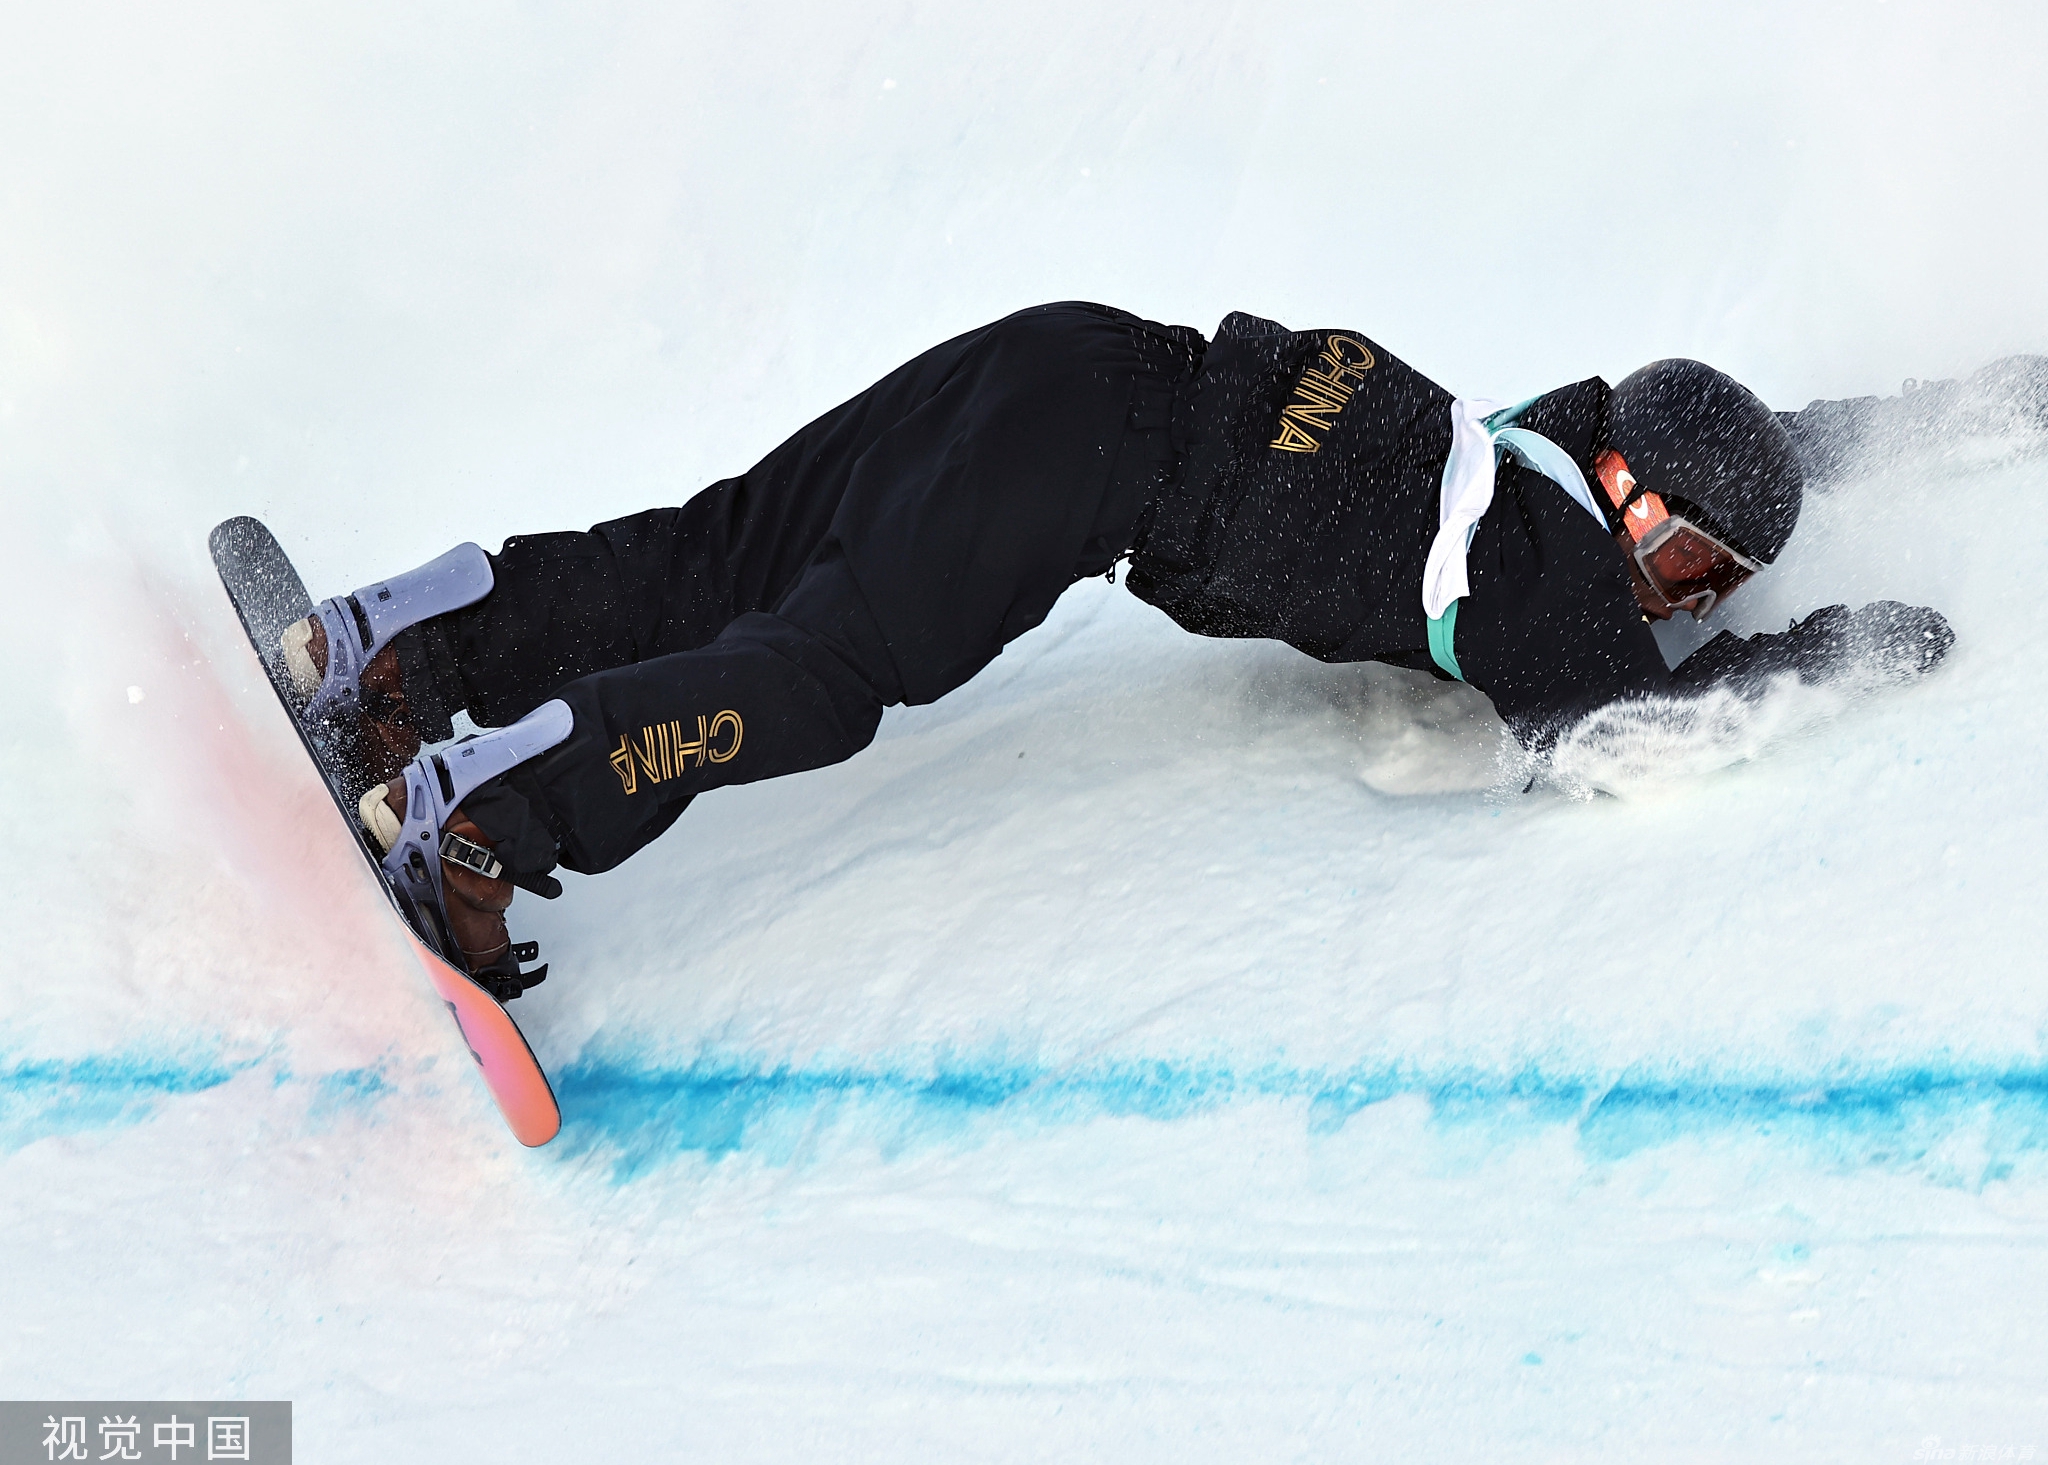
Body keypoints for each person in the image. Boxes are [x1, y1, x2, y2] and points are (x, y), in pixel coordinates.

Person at [278, 303, 2024, 995]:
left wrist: (1986, 406)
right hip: (1080, 473)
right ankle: (493, 815)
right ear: (1640, 499)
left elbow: (1788, 432)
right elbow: (1617, 743)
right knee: (819, 671)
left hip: (1077, 352)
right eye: (1704, 564)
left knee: (739, 537)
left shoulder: (1562, 432)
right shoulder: (1554, 572)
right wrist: (1837, 649)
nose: (1699, 598)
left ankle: (410, 646)